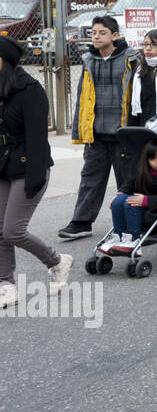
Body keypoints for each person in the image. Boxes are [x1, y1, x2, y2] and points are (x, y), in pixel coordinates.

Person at [0, 37, 71, 310]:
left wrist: (34, 178)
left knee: (13, 230)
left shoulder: (30, 90)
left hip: (29, 167)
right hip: (3, 167)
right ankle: (5, 284)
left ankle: (56, 260)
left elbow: (38, 140)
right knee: (0, 231)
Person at [59, 15, 140, 240]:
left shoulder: (131, 58)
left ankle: (135, 222)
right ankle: (81, 222)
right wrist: (80, 130)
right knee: (90, 179)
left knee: (128, 180)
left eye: (102, 33)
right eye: (93, 32)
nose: (96, 36)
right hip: (96, 134)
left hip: (123, 134)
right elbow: (82, 98)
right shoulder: (88, 60)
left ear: (114, 36)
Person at [105, 134, 157, 253]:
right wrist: (121, 192)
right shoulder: (147, 171)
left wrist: (146, 201)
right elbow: (131, 183)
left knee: (131, 203)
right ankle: (118, 236)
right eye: (153, 158)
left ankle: (133, 239)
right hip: (149, 207)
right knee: (119, 201)